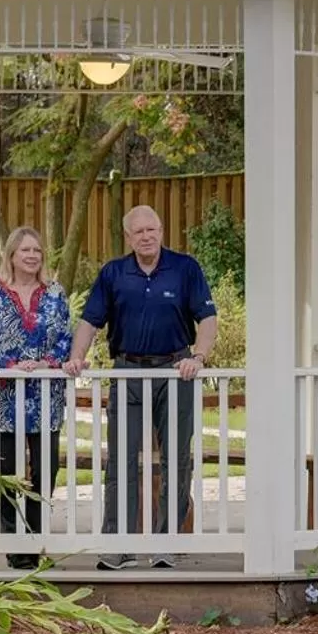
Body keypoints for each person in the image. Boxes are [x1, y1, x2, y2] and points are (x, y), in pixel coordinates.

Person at [64, 205, 218, 570]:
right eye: (139, 232)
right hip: (127, 371)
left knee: (176, 459)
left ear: (162, 230)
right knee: (120, 460)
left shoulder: (185, 268)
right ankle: (118, 544)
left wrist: (198, 357)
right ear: (128, 237)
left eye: (153, 229)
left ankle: (166, 543)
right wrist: (76, 357)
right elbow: (90, 321)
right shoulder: (114, 273)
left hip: (175, 371)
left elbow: (208, 318)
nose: (147, 236)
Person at [0, 226, 73, 570]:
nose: (32, 256)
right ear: (11, 255)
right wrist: (13, 365)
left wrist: (45, 363)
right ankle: (16, 546)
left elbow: (65, 341)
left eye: (37, 251)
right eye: (25, 250)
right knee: (9, 472)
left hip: (45, 396)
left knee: (46, 470)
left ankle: (36, 541)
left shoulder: (56, 294)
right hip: (4, 398)